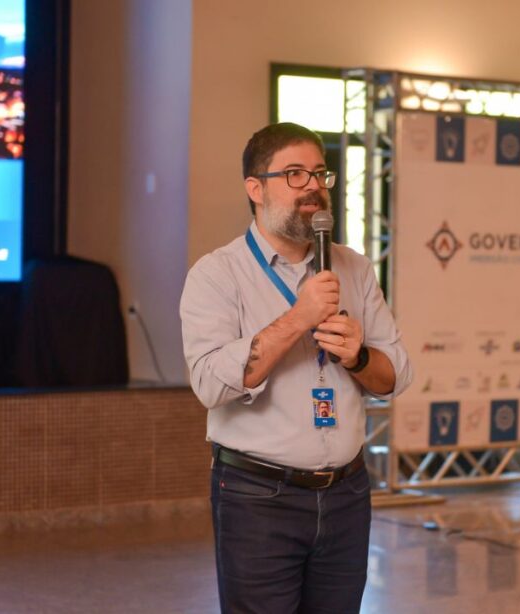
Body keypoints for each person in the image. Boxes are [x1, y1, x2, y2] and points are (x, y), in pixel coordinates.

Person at [180, 122, 412, 613]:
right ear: (255, 188)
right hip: (258, 497)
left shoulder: (354, 267)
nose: (312, 187)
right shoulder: (217, 274)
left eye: (319, 174)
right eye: (294, 174)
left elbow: (394, 376)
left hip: (347, 493)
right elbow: (210, 384)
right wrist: (299, 317)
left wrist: (358, 357)